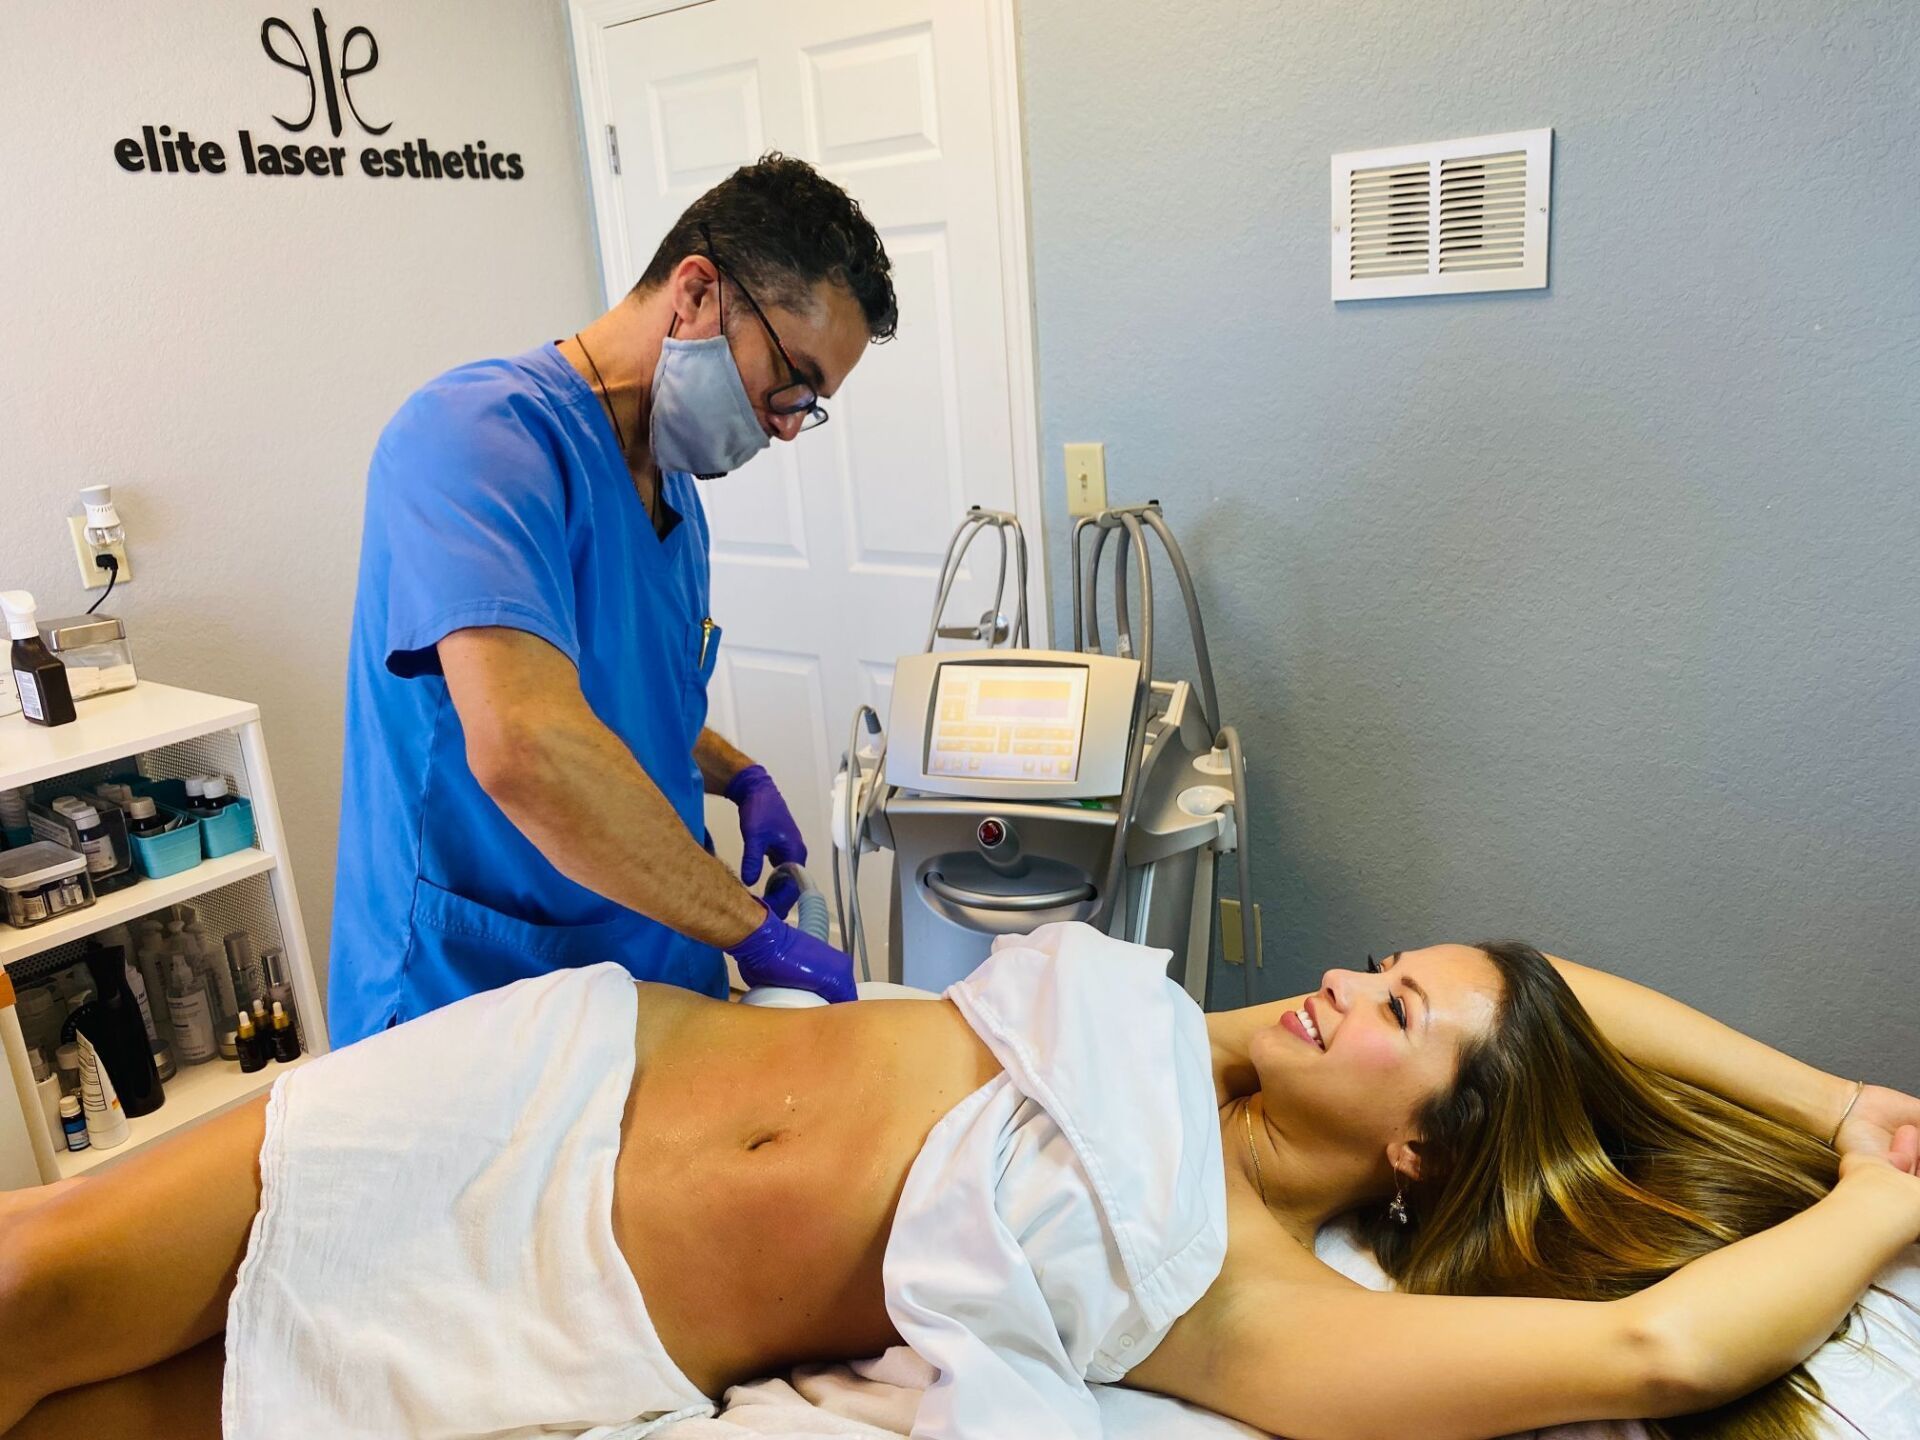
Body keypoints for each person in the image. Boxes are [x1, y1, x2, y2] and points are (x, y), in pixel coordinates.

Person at [3, 930, 1917, 1439]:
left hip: (569, 1302)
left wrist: (1879, 1204)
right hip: (535, 1079)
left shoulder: (1249, 1302)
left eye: (1400, 1005)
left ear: (1422, 1143)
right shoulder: (1216, 1040)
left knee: (101, 1419)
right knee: (23, 1287)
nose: (1350, 977)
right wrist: (1843, 1091)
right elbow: (1572, 986)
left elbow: (1665, 1352)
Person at [328, 153, 896, 1045]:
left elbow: (621, 691)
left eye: (810, 404)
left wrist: (732, 770)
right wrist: (755, 933)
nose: (790, 423)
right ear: (699, 292)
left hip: (652, 966)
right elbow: (528, 743)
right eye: (795, 379)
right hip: (485, 985)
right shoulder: (478, 441)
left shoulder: (676, 501)